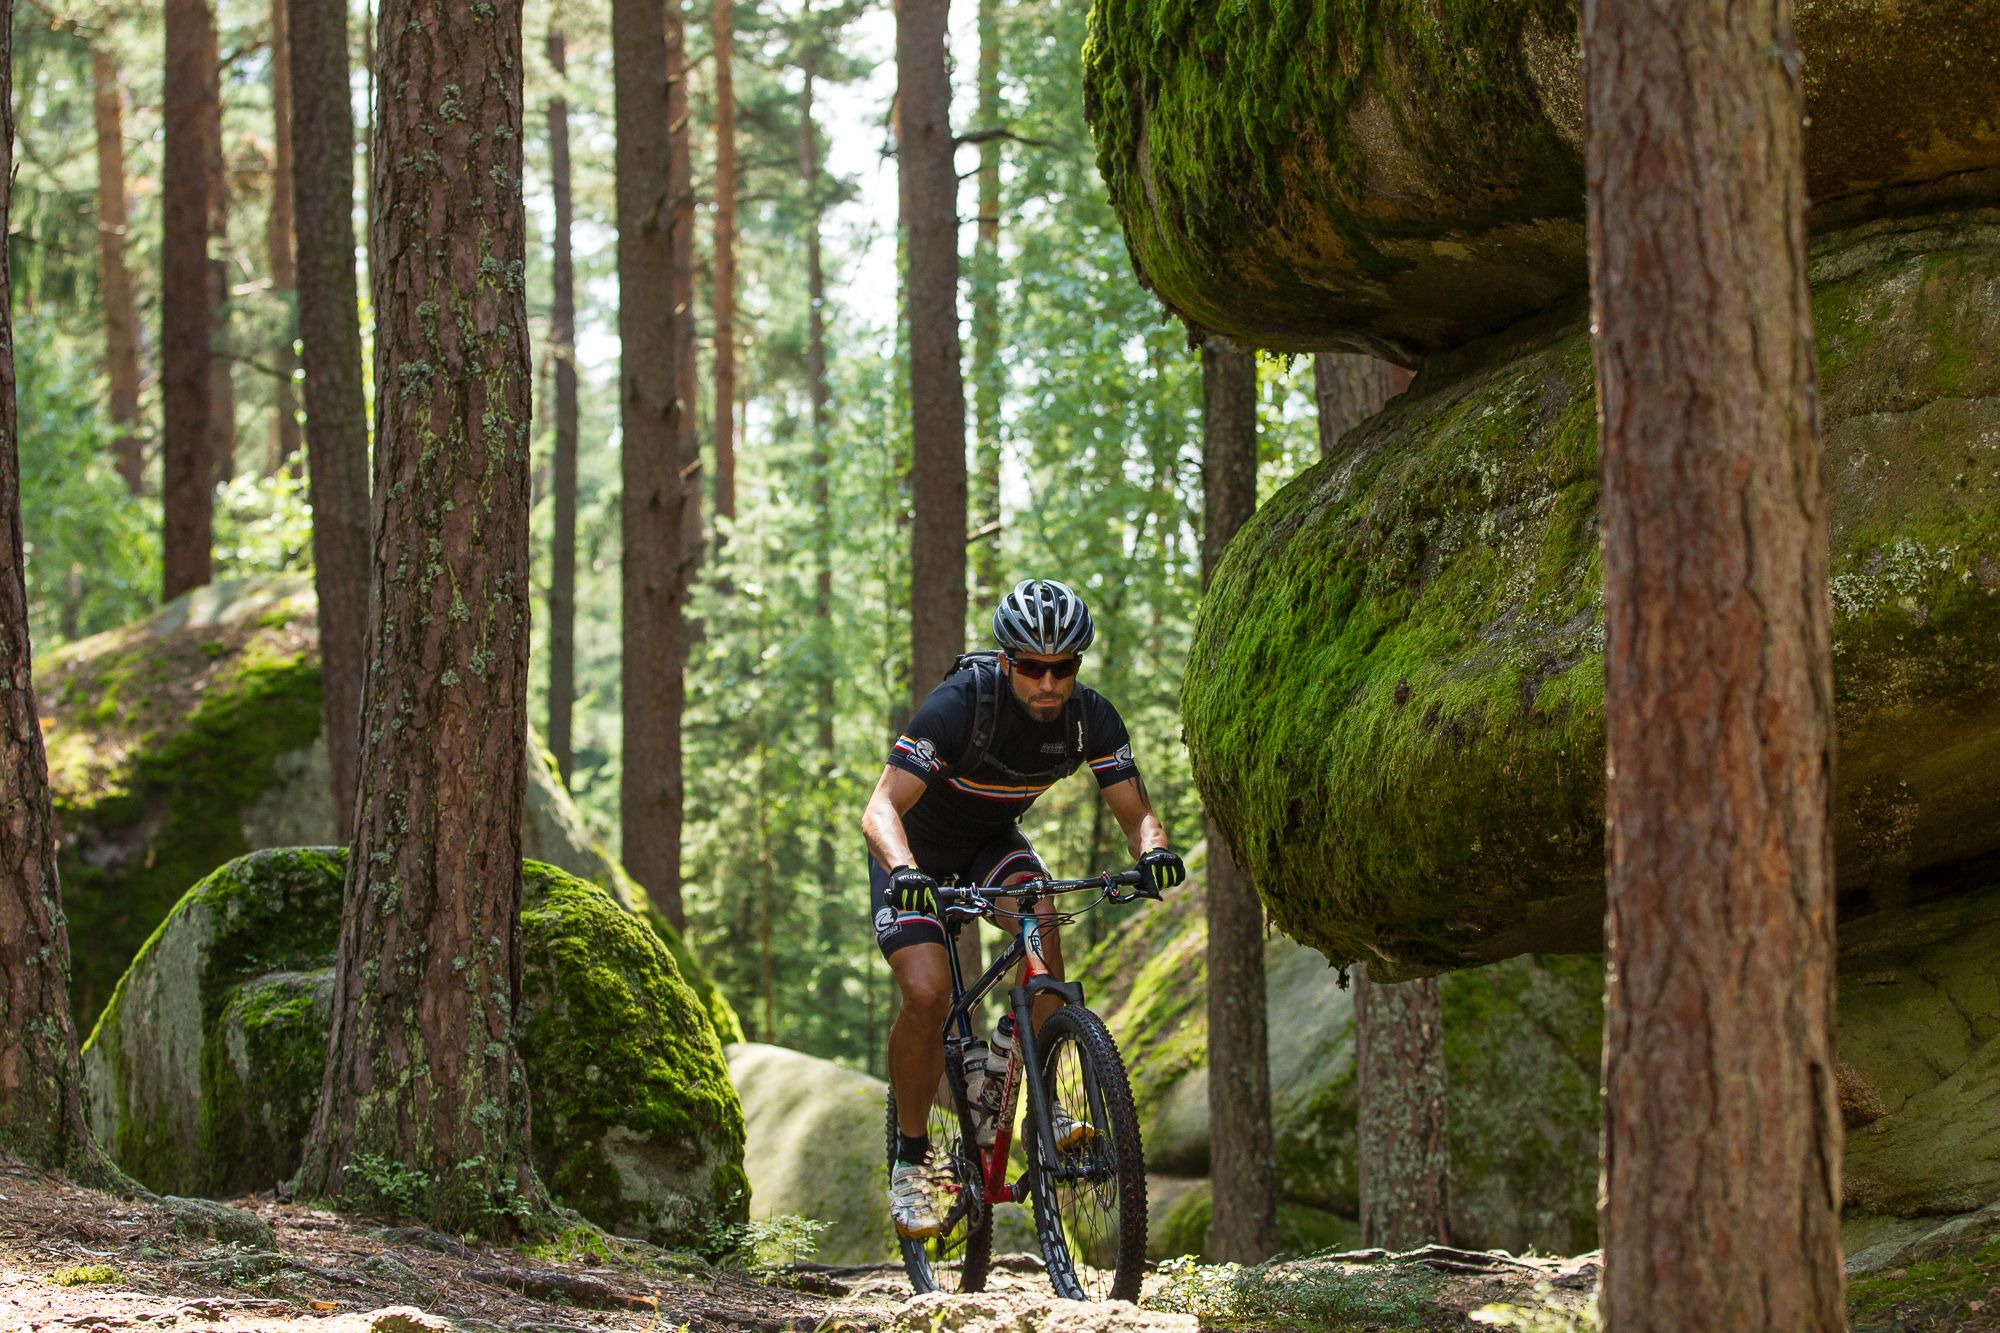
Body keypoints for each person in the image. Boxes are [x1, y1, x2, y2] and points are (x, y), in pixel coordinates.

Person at [861, 578, 1186, 1240]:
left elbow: (1138, 813)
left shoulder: (1088, 719)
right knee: (927, 995)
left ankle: (1042, 1097)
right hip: (913, 854)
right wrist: (905, 872)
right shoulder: (959, 706)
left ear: (1077, 668)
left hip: (989, 846)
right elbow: (880, 807)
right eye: (1032, 667)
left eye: (1060, 668)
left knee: (1038, 903)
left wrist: (1154, 851)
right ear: (1007, 661)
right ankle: (911, 1161)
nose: (1046, 682)